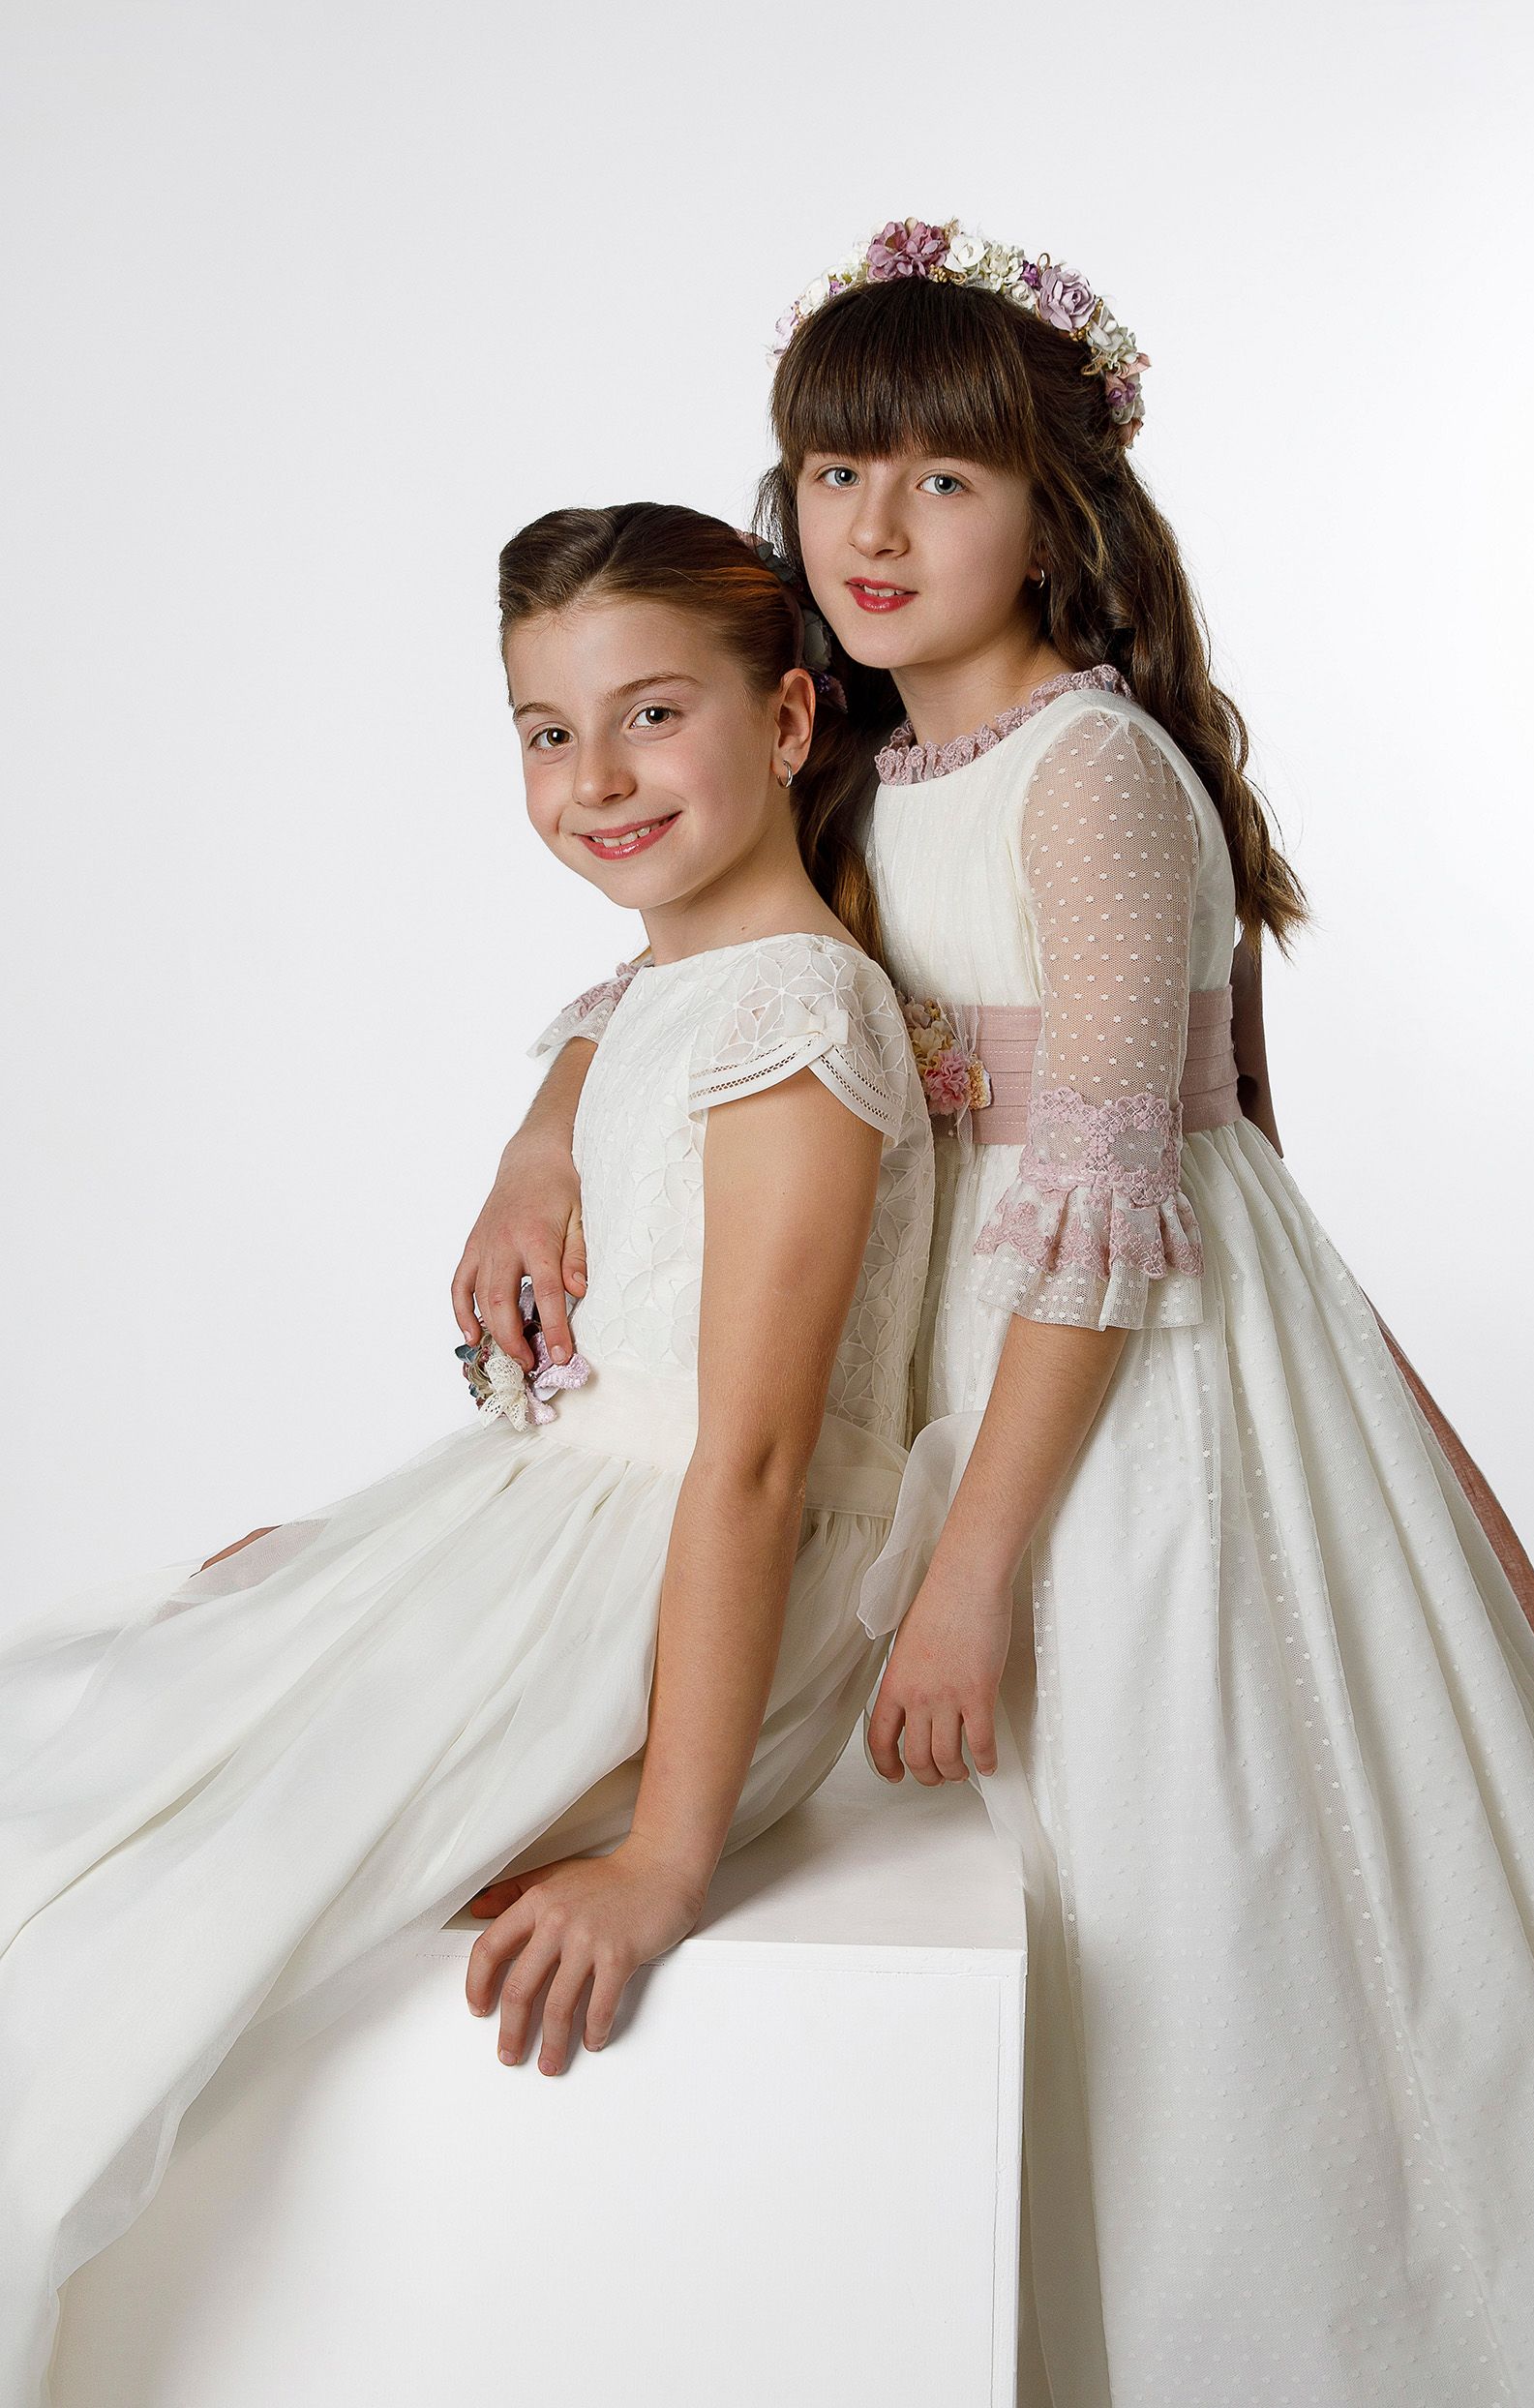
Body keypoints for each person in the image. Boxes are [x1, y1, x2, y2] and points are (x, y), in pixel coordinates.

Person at [466, 225, 1534, 2405]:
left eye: (940, 481)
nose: (869, 529)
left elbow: (1105, 1191)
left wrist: (971, 1570)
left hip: (1125, 1390)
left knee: (1204, 1874)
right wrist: (547, 1125)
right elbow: (687, 957)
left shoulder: (1093, 771)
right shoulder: (869, 775)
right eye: (829, 474)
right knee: (1014, 1908)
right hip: (962, 1352)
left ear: (1050, 512)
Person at [0, 500, 934, 2407]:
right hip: (569, 1512)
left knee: (137, 1890)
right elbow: (629, 1018)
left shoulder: (797, 1022)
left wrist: (665, 1861)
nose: (594, 778)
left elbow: (746, 1462)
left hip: (661, 1586)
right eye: (542, 729)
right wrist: (372, 1548)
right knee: (120, 1716)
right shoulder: (679, 990)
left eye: (650, 714)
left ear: (786, 717)